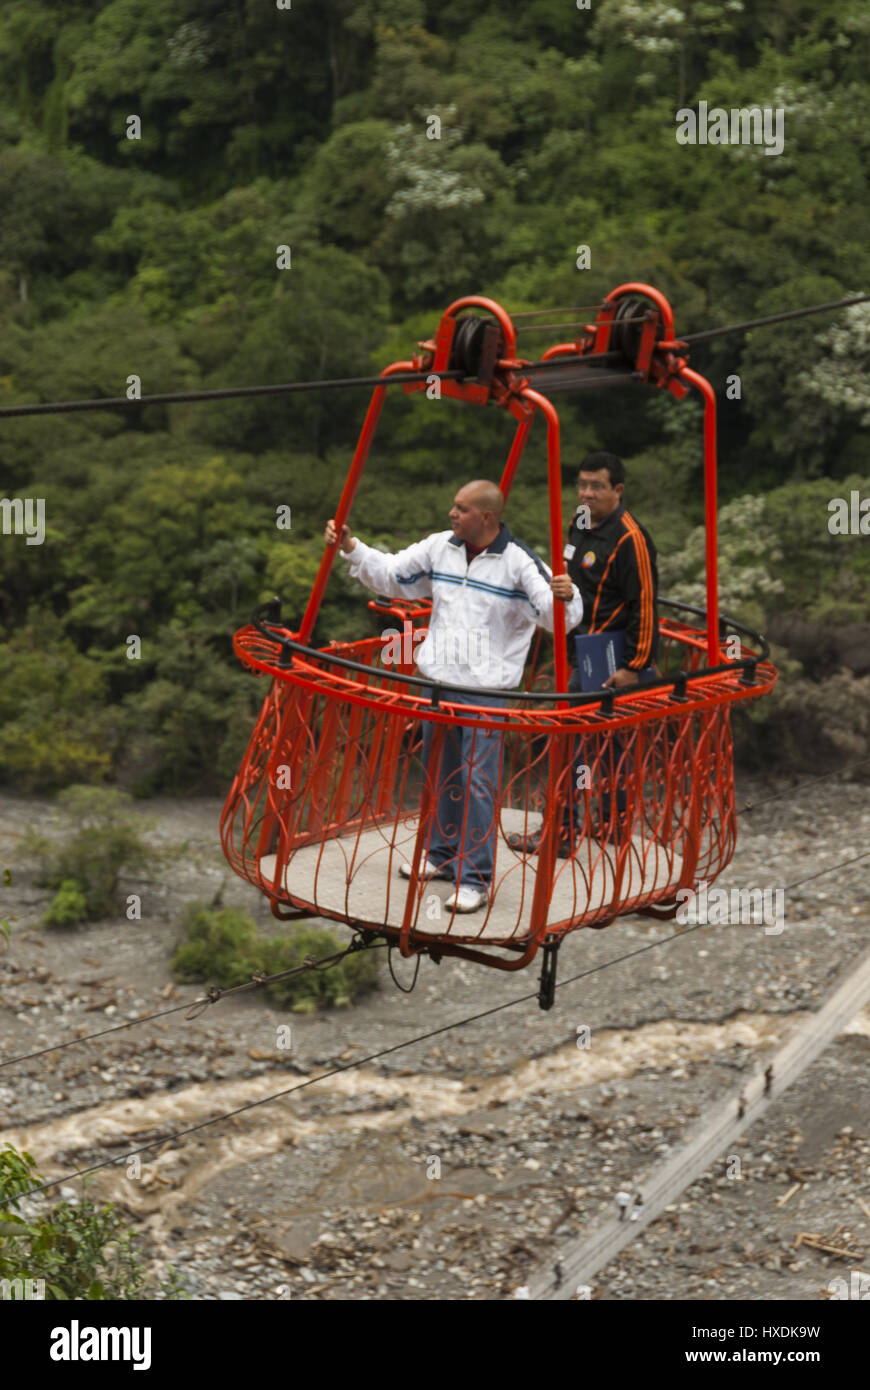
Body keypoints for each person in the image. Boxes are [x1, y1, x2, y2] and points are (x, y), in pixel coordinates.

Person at [325, 480, 583, 911]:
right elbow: (392, 575)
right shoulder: (440, 548)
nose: (451, 513)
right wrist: (351, 546)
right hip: (439, 684)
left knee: (478, 782)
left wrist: (568, 596)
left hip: (485, 692)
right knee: (440, 773)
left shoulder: (519, 563)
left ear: (486, 517)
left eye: (461, 509)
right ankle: (443, 855)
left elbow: (558, 617)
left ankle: (476, 877)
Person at [509, 451, 659, 855]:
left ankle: (599, 828)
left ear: (618, 490)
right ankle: (570, 829)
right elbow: (569, 575)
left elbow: (645, 605)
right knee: (578, 750)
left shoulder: (631, 539)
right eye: (583, 485)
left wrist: (634, 666)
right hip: (581, 651)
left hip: (613, 662)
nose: (587, 493)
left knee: (597, 750)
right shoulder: (579, 521)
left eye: (597, 486)